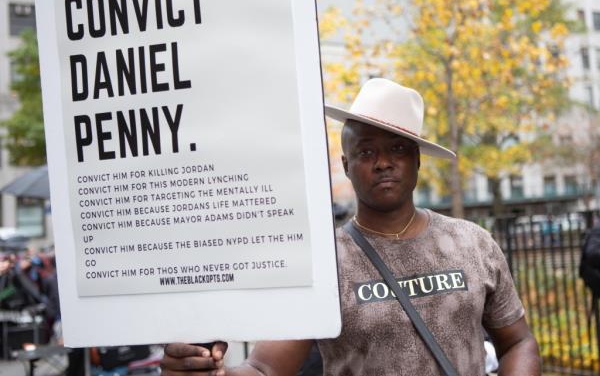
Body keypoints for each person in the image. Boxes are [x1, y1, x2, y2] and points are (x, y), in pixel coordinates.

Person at [160, 79, 540, 376]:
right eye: (366, 151)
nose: (383, 163)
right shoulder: (325, 263)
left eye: (398, 149)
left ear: (417, 162)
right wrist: (202, 369)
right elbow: (265, 368)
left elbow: (517, 341)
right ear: (346, 165)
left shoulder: (472, 243)